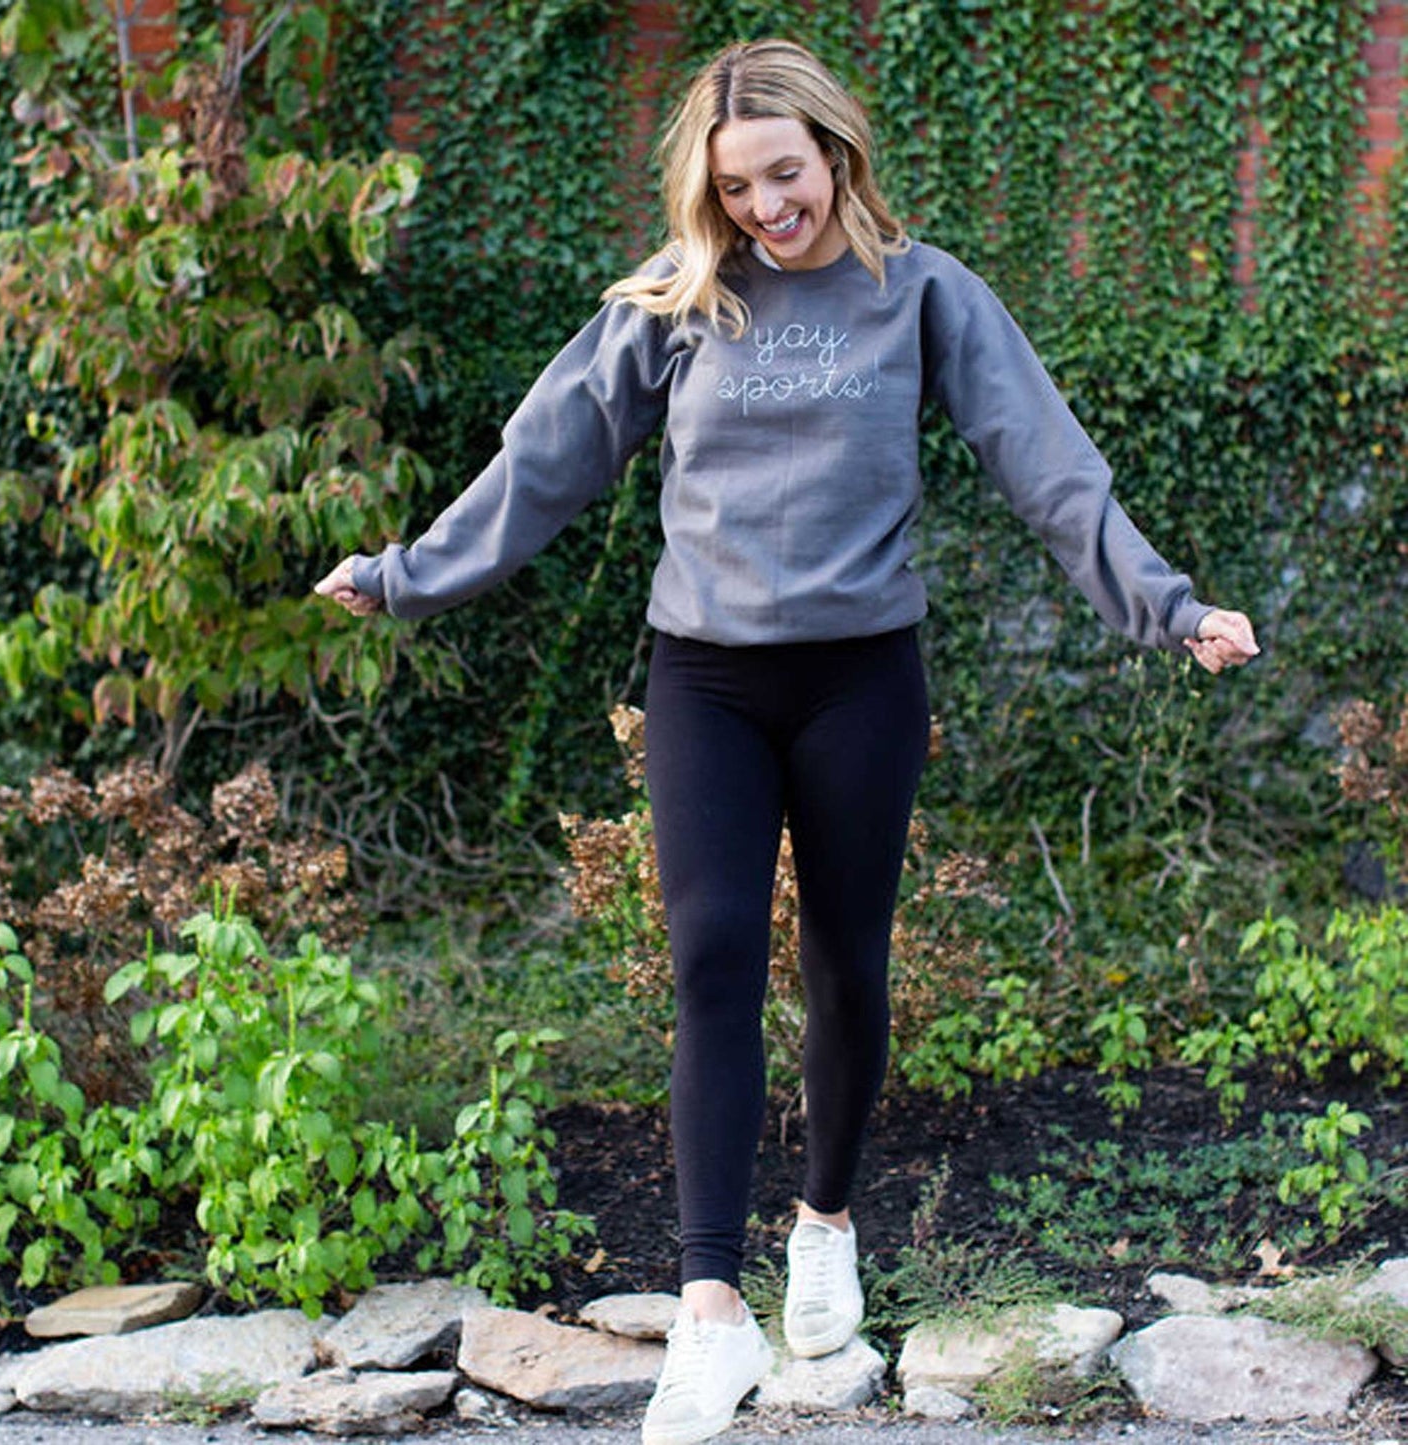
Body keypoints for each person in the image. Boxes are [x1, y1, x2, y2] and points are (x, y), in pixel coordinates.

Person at [315, 36, 1259, 1445]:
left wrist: (1163, 602)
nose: (765, 205)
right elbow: (547, 457)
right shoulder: (677, 302)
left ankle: (823, 1225)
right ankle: (707, 1307)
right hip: (705, 677)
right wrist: (410, 571)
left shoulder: (919, 293)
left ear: (832, 152)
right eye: (735, 186)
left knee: (843, 965)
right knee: (707, 955)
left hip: (859, 678)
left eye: (783, 172)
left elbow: (1044, 461)